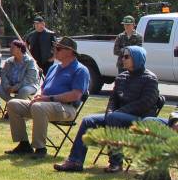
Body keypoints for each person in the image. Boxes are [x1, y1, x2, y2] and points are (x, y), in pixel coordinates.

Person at [54, 45, 161, 173]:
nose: (122, 59)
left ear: (137, 58)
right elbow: (113, 100)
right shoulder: (121, 77)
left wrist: (118, 113)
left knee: (115, 117)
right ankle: (75, 161)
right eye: (122, 56)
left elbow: (145, 103)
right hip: (117, 116)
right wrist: (110, 112)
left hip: (140, 119)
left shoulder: (150, 78)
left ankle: (116, 163)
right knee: (88, 120)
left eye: (126, 57)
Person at [5, 36, 90, 158]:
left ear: (70, 52)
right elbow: (43, 87)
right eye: (54, 47)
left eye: (58, 48)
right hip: (44, 104)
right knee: (13, 104)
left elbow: (75, 95)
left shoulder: (80, 70)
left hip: (66, 108)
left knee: (39, 107)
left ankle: (40, 148)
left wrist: (48, 99)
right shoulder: (54, 67)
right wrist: (38, 95)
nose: (54, 50)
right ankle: (24, 145)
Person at [0, 40, 40, 106]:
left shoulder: (30, 61)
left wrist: (15, 87)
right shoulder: (9, 61)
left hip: (29, 85)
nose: (10, 49)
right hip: (11, 85)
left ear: (19, 49)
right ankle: (13, 103)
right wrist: (7, 86)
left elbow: (29, 79)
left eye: (12, 47)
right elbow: (3, 74)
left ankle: (13, 105)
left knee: (24, 90)